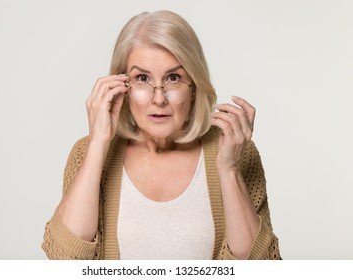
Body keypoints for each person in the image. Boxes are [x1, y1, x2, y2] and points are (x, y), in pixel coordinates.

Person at [41, 10, 281, 260]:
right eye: (142, 78)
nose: (158, 99)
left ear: (194, 86)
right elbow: (64, 260)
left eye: (173, 78)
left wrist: (229, 169)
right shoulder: (87, 152)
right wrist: (98, 143)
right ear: (122, 86)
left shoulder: (235, 151)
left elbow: (261, 265)